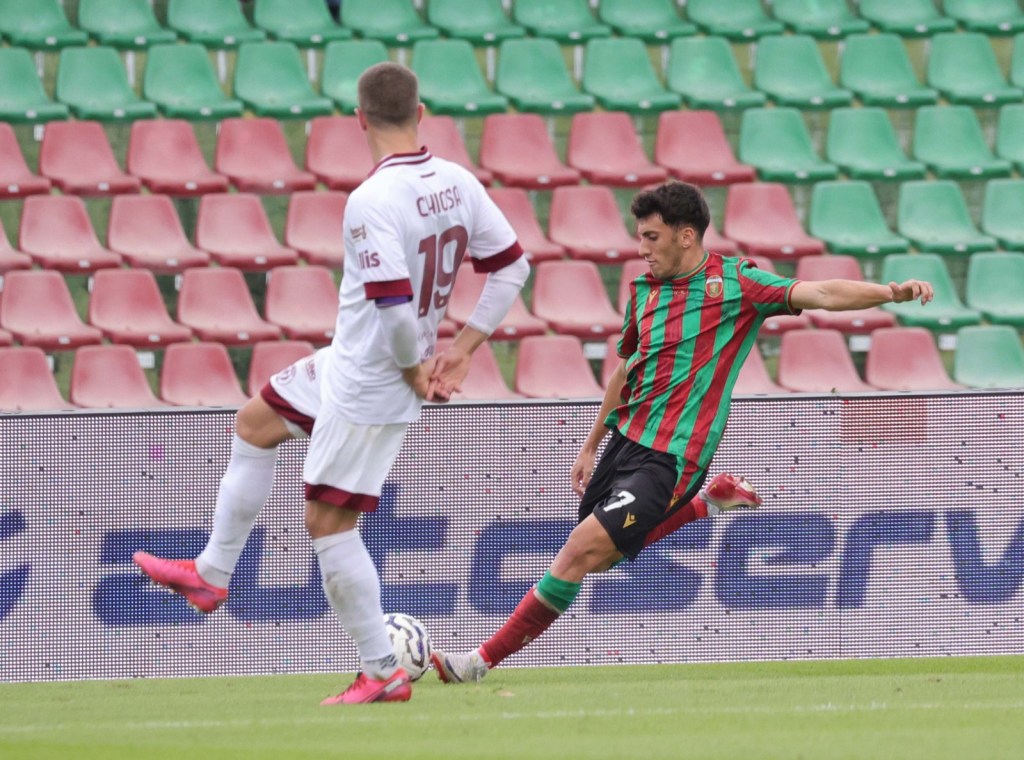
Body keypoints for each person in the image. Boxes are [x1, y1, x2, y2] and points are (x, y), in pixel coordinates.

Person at [133, 62, 529, 704]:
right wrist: (462, 349)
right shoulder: (456, 181)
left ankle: (381, 671)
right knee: (255, 423)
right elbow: (514, 268)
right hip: (351, 361)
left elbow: (398, 314)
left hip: (373, 382)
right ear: (421, 113)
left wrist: (415, 369)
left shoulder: (372, 201)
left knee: (329, 525)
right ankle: (210, 573)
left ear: (360, 119)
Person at [431, 180, 935, 684]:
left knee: (579, 551)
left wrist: (889, 293)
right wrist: (590, 444)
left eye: (652, 237)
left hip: (672, 455)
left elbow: (821, 292)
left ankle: (476, 663)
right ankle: (711, 503)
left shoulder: (736, 284)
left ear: (686, 236)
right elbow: (627, 372)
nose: (641, 248)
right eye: (640, 237)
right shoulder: (642, 293)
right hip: (625, 442)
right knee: (598, 561)